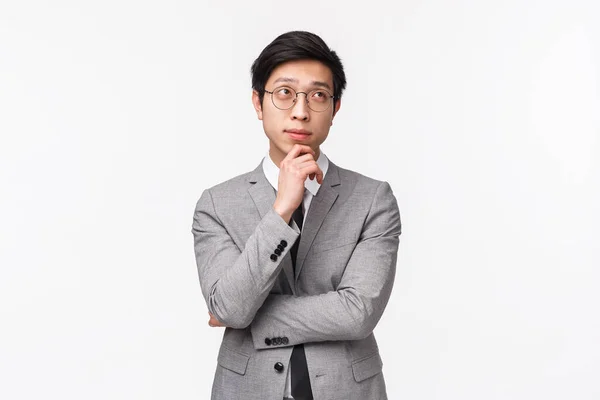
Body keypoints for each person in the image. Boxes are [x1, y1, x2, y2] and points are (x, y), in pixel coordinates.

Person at [191, 30, 402, 400]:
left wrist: (245, 316)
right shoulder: (216, 205)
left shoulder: (373, 199)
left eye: (318, 95)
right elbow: (228, 307)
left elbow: (358, 312)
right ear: (258, 103)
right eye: (285, 93)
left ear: (335, 109)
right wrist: (282, 208)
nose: (301, 111)